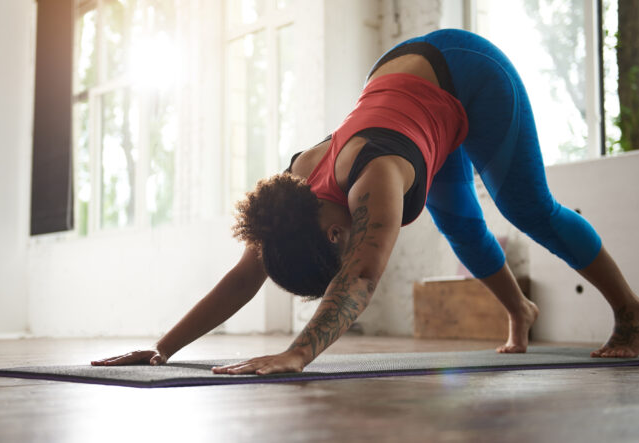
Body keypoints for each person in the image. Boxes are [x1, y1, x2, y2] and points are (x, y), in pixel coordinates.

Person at [92, 29, 639, 375]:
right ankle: (520, 310)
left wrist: (296, 353)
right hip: (406, 86)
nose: (348, 245)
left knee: (527, 209)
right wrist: (163, 349)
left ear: (334, 235)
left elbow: (359, 278)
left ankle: (631, 314)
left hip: (471, 74)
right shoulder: (292, 198)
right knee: (461, 227)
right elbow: (242, 277)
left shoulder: (374, 177)